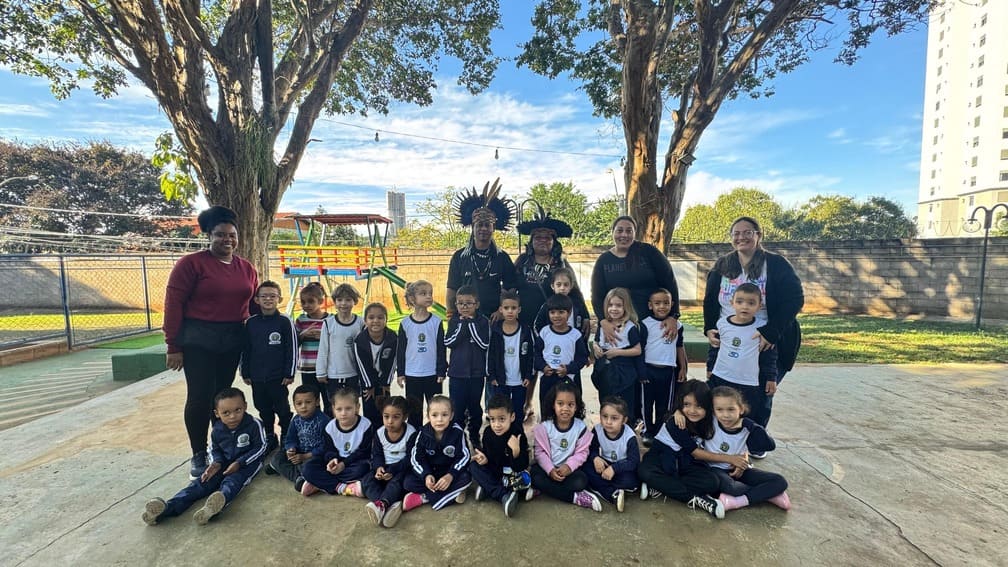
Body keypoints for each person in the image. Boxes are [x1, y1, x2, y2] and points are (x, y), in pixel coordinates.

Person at [164, 205, 259, 480]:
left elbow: (252, 305)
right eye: (220, 235)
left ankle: (223, 447)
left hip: (231, 340)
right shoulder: (191, 264)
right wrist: (173, 345)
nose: (226, 240)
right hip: (198, 340)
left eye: (231, 235)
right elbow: (173, 305)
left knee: (223, 398)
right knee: (200, 397)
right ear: (208, 235)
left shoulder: (246, 268)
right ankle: (198, 452)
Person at [703, 215, 803, 432]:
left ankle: (755, 436)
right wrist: (709, 328)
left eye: (748, 232)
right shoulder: (722, 265)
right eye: (736, 233)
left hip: (765, 341)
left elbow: (794, 298)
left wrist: (771, 332)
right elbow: (710, 300)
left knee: (760, 393)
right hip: (730, 339)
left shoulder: (776, 264)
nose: (742, 237)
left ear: (759, 235)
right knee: (723, 392)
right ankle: (722, 435)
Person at [141, 388, 266, 525]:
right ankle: (166, 509)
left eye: (238, 410)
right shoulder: (217, 429)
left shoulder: (254, 424)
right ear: (217, 413)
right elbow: (214, 449)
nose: (232, 416)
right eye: (226, 413)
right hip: (223, 463)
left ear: (245, 407)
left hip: (247, 465)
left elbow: (260, 447)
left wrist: (240, 463)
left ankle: (214, 506)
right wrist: (215, 463)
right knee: (200, 483)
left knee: (232, 482)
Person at [637, 380, 725, 519]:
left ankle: (659, 486)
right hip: (661, 457)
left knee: (712, 481)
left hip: (684, 462)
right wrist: (731, 459)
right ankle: (696, 499)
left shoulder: (709, 421)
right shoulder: (676, 421)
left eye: (699, 406)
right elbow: (696, 453)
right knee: (644, 472)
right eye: (686, 405)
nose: (692, 411)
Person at [590, 215, 681, 350]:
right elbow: (597, 296)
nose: (624, 235)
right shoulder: (604, 261)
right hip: (619, 325)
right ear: (612, 232)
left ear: (635, 233)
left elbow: (670, 283)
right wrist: (603, 322)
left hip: (651, 322)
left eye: (629, 231)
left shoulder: (649, 253)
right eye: (619, 230)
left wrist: (674, 316)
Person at [698, 386, 790, 512]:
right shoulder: (710, 422)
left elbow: (769, 445)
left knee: (780, 481)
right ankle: (768, 494)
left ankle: (738, 501)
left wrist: (750, 425)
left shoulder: (747, 428)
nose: (725, 415)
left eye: (731, 409)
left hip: (739, 469)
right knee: (732, 488)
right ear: (713, 411)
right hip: (715, 469)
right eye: (719, 409)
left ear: (741, 409)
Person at [706, 283, 778, 431]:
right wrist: (710, 367)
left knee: (746, 416)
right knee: (716, 410)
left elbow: (769, 356)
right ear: (732, 303)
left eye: (751, 303)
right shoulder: (722, 324)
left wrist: (771, 377)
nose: (745, 306)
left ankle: (745, 445)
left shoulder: (763, 328)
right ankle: (713, 439)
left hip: (748, 382)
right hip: (721, 377)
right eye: (740, 302)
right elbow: (715, 348)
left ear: (759, 306)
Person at [446, 178, 517, 320]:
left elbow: (511, 289)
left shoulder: (502, 257)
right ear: (473, 227)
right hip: (466, 320)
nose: (483, 229)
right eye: (479, 225)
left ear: (493, 228)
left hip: (494, 320)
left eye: (487, 225)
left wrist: (501, 311)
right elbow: (452, 289)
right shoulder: (460, 257)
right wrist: (451, 316)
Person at [240, 280, 297, 453]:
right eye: (264, 296)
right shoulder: (251, 323)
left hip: (278, 377)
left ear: (279, 299)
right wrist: (245, 371)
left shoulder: (284, 322)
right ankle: (270, 436)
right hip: (257, 377)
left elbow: (292, 349)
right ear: (256, 299)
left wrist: (290, 372)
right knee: (263, 407)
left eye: (272, 296)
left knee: (282, 408)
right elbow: (246, 349)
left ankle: (287, 436)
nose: (268, 299)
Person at [528, 381, 601, 512]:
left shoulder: (580, 428)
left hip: (569, 472)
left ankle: (544, 489)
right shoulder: (545, 427)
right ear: (553, 405)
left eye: (570, 404)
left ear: (576, 407)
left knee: (581, 481)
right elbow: (539, 453)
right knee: (534, 475)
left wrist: (569, 467)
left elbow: (582, 453)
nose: (565, 408)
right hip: (547, 470)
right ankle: (574, 498)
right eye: (560, 404)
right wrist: (550, 470)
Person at [402, 395, 473, 512]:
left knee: (467, 477)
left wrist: (450, 475)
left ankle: (425, 498)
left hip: (449, 473)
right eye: (434, 415)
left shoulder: (457, 432)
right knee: (408, 483)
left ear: (451, 416)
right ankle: (453, 493)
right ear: (428, 416)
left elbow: (464, 456)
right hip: (431, 474)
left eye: (444, 415)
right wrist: (426, 475)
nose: (439, 419)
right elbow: (416, 458)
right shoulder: (423, 433)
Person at [299, 387, 373, 497]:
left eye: (348, 408)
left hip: (354, 462)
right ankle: (342, 487)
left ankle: (319, 484)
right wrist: (332, 460)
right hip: (337, 462)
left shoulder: (365, 425)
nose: (343, 413)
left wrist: (344, 464)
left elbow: (364, 452)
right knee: (308, 467)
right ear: (333, 409)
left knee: (363, 469)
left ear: (357, 407)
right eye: (339, 409)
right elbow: (328, 450)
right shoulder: (330, 427)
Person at [470, 393, 531, 518]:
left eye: (502, 419)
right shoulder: (488, 433)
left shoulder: (517, 435)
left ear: (512, 417)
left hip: (512, 474)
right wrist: (485, 459)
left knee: (523, 479)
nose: (497, 424)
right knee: (473, 466)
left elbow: (521, 466)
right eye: (492, 419)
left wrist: (516, 451)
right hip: (496, 472)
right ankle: (503, 495)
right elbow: (490, 458)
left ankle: (489, 488)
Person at [513, 206, 574, 330]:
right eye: (538, 237)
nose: (543, 241)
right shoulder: (522, 261)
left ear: (554, 242)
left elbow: (575, 293)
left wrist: (584, 317)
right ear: (531, 241)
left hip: (552, 322)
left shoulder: (561, 264)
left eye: (547, 238)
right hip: (524, 320)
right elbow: (510, 288)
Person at [444, 285, 490, 446]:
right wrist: (462, 326)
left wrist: (470, 324)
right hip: (457, 374)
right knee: (457, 407)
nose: (464, 306)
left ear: (476, 304)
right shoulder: (455, 321)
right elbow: (448, 342)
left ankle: (474, 434)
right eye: (460, 303)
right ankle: (457, 437)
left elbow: (484, 343)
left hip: (476, 374)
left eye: (469, 303)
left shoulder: (483, 321)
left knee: (475, 407)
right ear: (456, 305)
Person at [396, 280, 447, 427]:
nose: (428, 297)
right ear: (412, 299)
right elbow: (401, 351)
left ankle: (435, 440)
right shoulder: (405, 324)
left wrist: (441, 371)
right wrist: (401, 372)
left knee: (436, 411)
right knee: (414, 412)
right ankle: (415, 442)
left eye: (430, 293)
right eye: (423, 294)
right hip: (412, 375)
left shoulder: (436, 322)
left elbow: (441, 348)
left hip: (432, 375)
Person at [639, 288, 688, 440]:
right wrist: (641, 371)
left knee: (664, 405)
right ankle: (648, 431)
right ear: (650, 305)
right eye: (657, 303)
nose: (662, 306)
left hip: (668, 372)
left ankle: (660, 431)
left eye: (666, 303)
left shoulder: (677, 325)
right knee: (646, 404)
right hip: (648, 370)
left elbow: (679, 347)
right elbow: (639, 350)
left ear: (672, 304)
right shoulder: (644, 324)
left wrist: (683, 368)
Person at [363, 396, 418, 528]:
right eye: (386, 416)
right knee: (367, 480)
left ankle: (382, 504)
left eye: (396, 417)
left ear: (404, 417)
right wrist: (378, 468)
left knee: (398, 482)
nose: (390, 421)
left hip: (401, 469)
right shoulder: (379, 433)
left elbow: (410, 459)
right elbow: (377, 455)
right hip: (385, 469)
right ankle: (387, 504)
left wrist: (392, 470)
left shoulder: (411, 433)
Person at [533, 294, 588, 415]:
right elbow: (536, 354)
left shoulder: (575, 335)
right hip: (548, 377)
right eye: (552, 312)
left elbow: (582, 358)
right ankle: (547, 431)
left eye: (561, 312)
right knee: (547, 407)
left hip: (568, 378)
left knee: (569, 408)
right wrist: (542, 367)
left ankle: (571, 431)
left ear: (569, 313)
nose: (556, 316)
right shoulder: (544, 332)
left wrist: (568, 369)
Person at [591, 287, 642, 417]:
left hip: (623, 371)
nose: (614, 308)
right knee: (606, 400)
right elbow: (597, 341)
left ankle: (626, 427)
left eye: (618, 305)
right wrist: (595, 347)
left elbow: (637, 350)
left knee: (624, 403)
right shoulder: (603, 325)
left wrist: (618, 352)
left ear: (626, 306)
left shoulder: (630, 327)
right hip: (605, 371)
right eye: (611, 305)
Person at [585, 396, 640, 512]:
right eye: (604, 417)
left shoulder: (629, 436)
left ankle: (601, 488)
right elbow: (589, 449)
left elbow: (633, 461)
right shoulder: (598, 430)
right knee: (585, 468)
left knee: (632, 480)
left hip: (622, 466)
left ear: (624, 420)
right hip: (604, 463)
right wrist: (595, 458)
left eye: (614, 418)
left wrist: (614, 468)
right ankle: (612, 492)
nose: (608, 422)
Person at [315, 284, 364, 416]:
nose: (344, 303)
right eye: (340, 300)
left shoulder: (360, 323)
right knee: (334, 407)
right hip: (334, 374)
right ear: (335, 302)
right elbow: (323, 349)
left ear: (354, 301)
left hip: (353, 373)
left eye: (348, 300)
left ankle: (353, 433)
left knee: (352, 406)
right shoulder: (328, 323)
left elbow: (365, 350)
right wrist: (321, 372)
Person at [268, 385, 328, 487]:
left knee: (309, 466)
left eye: (308, 402)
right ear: (294, 406)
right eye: (299, 403)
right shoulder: (296, 420)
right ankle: (298, 476)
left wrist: (306, 456)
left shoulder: (324, 420)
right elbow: (290, 438)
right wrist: (291, 449)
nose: (303, 406)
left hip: (314, 456)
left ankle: (295, 474)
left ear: (317, 402)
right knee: (277, 457)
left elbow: (327, 445)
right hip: (299, 452)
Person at [487, 290, 534, 419]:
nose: (510, 311)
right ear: (500, 309)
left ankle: (518, 436)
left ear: (519, 309)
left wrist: (529, 375)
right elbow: (490, 355)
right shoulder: (495, 330)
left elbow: (531, 355)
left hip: (520, 381)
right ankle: (503, 438)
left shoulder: (525, 330)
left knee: (518, 413)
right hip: (501, 381)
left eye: (513, 308)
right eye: (506, 308)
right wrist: (492, 375)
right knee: (502, 412)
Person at [354, 302, 397, 430]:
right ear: (365, 320)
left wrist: (386, 383)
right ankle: (371, 440)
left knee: (386, 410)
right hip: (368, 382)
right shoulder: (360, 340)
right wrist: (369, 386)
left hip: (383, 381)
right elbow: (361, 366)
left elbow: (393, 362)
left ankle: (387, 437)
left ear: (386, 320)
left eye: (380, 317)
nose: (376, 321)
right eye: (371, 317)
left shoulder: (393, 337)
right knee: (370, 412)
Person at [294, 282, 329, 395]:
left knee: (329, 401)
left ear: (320, 301)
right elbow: (294, 343)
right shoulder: (301, 320)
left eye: (310, 301)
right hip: (307, 367)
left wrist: (324, 337)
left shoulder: (330, 320)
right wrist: (303, 334)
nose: (306, 305)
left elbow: (337, 342)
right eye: (303, 302)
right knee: (311, 400)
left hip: (326, 369)